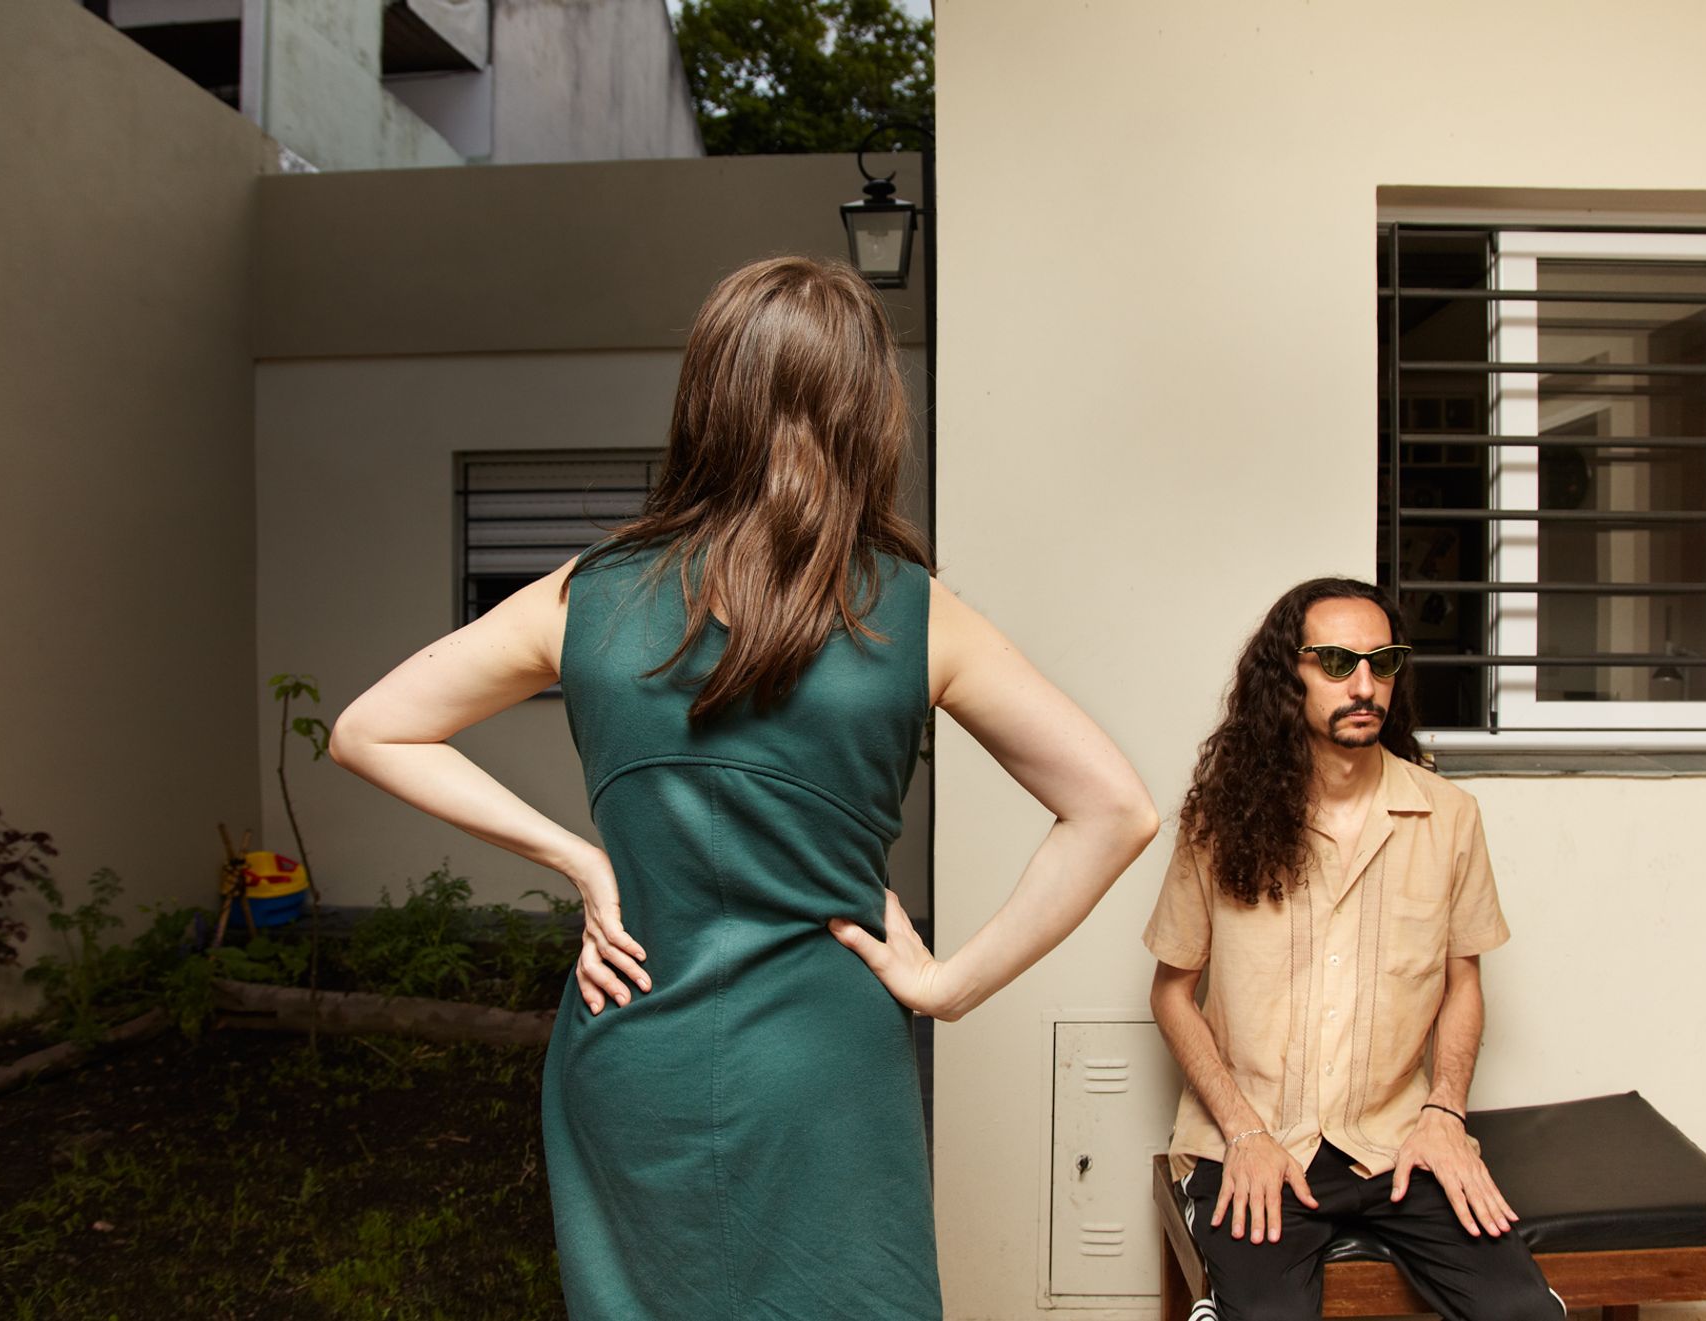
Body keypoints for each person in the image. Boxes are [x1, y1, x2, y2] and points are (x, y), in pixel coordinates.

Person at [328, 256, 1160, 1320]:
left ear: (706, 400)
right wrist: (953, 984)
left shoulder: (584, 595)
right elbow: (1116, 808)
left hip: (632, 1042)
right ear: (867, 413)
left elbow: (368, 728)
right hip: (826, 1062)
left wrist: (576, 858)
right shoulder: (914, 612)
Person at [1143, 578, 1561, 1321]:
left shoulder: (1451, 817)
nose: (1364, 686)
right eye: (1337, 662)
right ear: (1289, 675)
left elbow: (1463, 984)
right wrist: (1243, 1130)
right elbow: (1172, 993)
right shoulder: (1219, 820)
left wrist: (1446, 1112)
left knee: (1523, 1313)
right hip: (1257, 1138)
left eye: (1382, 662)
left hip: (1398, 1142)